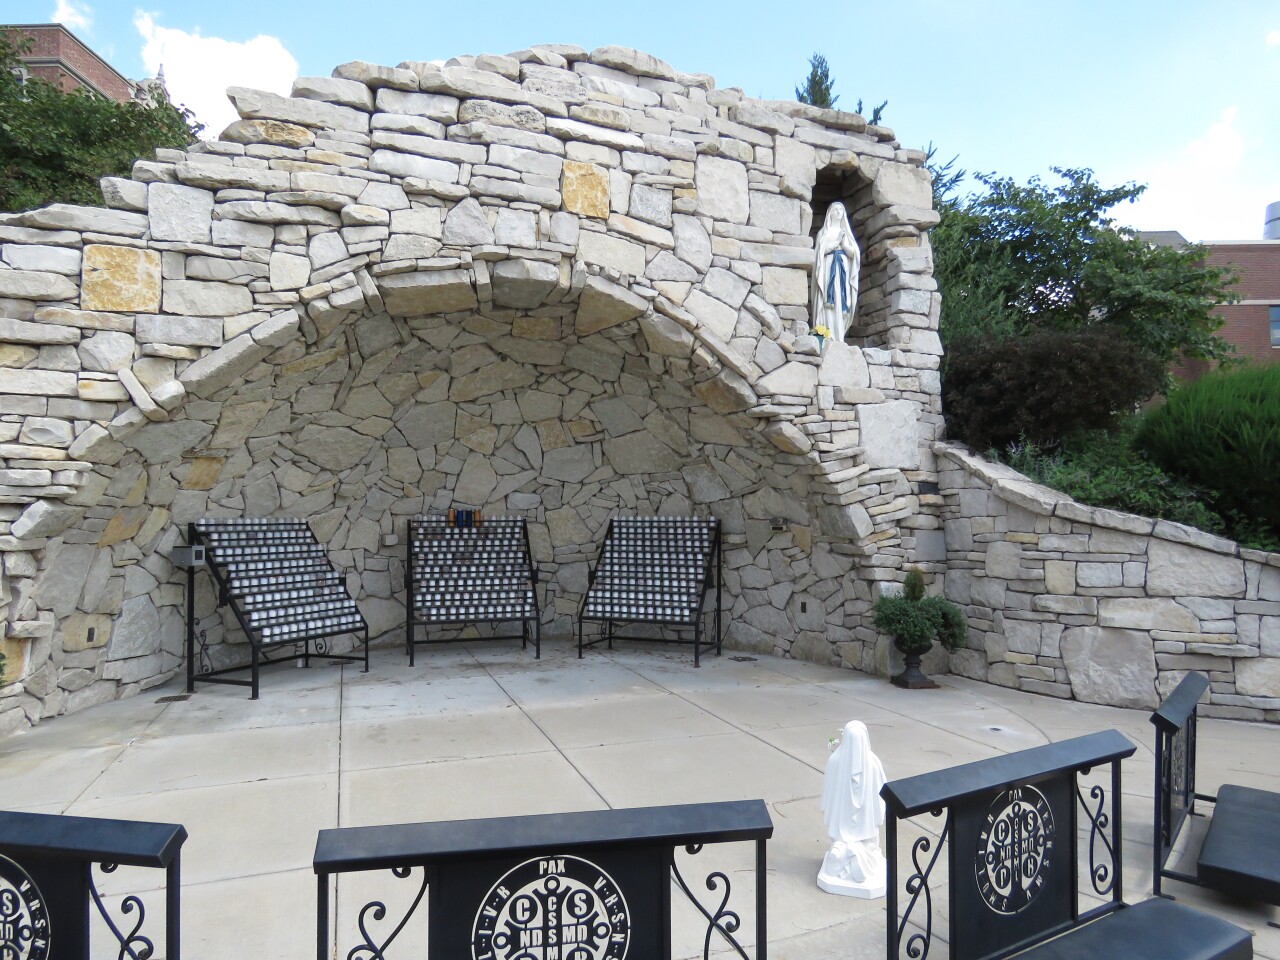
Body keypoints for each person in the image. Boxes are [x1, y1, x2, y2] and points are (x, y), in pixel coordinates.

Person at [818, 719, 887, 898]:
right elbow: (882, 798)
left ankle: (844, 851)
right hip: (866, 828)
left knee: (842, 848)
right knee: (868, 844)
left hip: (841, 826)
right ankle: (854, 853)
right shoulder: (873, 763)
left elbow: (828, 795)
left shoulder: (835, 761)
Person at [811, 203, 861, 342]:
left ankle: (839, 336)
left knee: (840, 299)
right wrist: (837, 241)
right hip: (828, 267)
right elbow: (820, 253)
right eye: (835, 209)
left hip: (843, 269)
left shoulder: (847, 233)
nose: (839, 212)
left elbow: (854, 255)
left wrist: (844, 245)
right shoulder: (824, 232)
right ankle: (827, 334)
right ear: (830, 213)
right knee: (828, 297)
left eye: (841, 210)